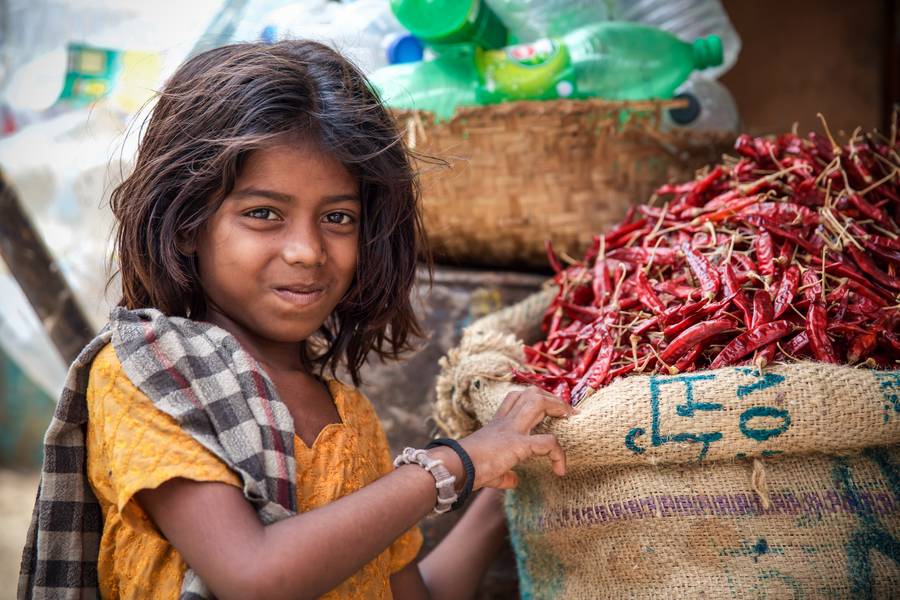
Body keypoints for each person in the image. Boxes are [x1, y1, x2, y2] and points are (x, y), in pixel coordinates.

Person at [19, 40, 574, 600]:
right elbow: (254, 576)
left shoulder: (347, 418)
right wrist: (450, 466)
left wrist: (502, 487)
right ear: (187, 223)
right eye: (263, 214)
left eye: (338, 217)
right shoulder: (151, 374)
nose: (308, 250)